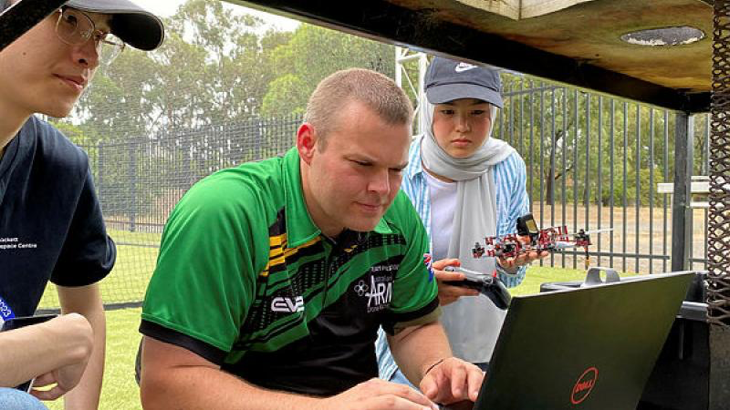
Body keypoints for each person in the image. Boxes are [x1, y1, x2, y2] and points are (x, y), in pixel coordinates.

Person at [139, 68, 484, 409]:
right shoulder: (226, 213)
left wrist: (437, 367)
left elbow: (412, 324)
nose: (382, 190)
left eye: (396, 169)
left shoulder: (397, 218)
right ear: (307, 143)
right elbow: (167, 385)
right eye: (362, 164)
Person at [0, 0, 164, 408]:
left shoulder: (61, 168)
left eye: (100, 36)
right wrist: (47, 343)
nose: (89, 55)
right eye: (69, 20)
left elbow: (85, 304)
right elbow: (71, 333)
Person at [376, 57, 548, 387]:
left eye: (477, 112)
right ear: (428, 109)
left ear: (493, 113)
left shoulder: (508, 166)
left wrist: (511, 263)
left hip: (488, 349)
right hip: (409, 354)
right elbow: (371, 277)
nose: (462, 126)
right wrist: (422, 289)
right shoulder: (398, 168)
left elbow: (507, 282)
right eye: (448, 110)